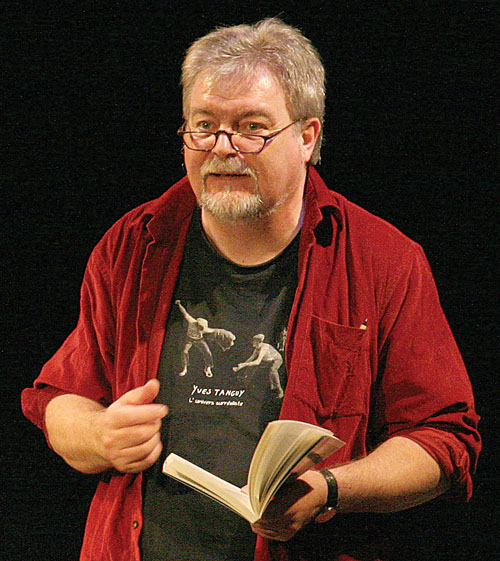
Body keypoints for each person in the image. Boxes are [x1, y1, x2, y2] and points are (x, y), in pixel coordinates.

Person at [21, 18, 480, 561]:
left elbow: (443, 439)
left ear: (307, 137)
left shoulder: (383, 260)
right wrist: (99, 436)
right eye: (204, 126)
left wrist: (332, 489)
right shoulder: (133, 244)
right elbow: (58, 399)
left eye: (251, 128)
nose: (223, 147)